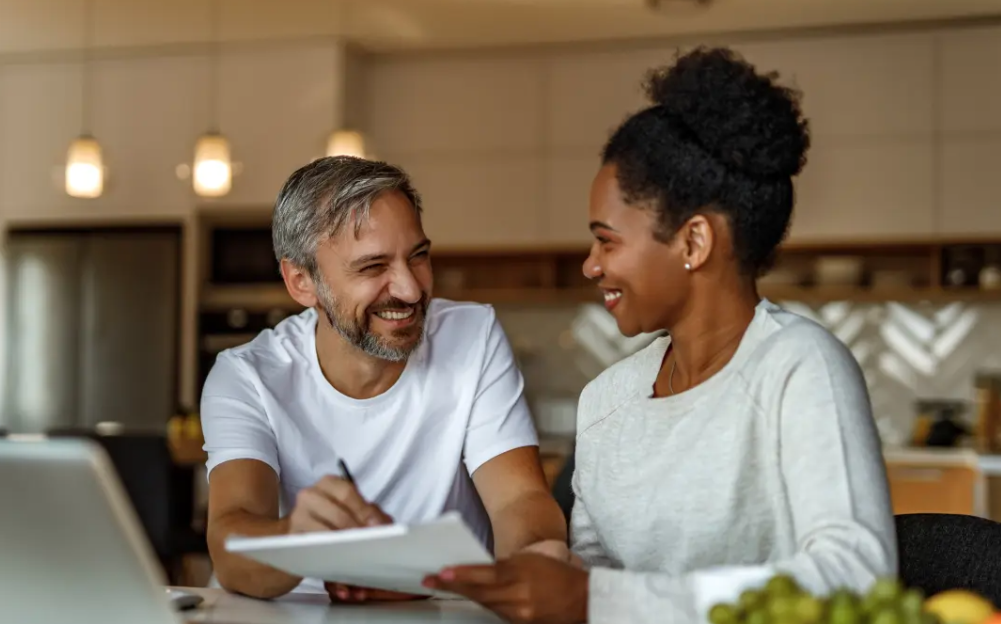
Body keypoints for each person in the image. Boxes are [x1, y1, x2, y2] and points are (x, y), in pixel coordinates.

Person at [423, 47, 896, 623]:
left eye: (608, 240)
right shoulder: (606, 400)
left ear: (693, 242)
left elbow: (857, 571)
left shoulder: (800, 367)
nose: (590, 266)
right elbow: (593, 584)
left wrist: (595, 598)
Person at [202, 156, 569, 601]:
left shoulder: (472, 336)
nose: (411, 290)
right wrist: (299, 544)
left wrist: (522, 569)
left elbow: (519, 502)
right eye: (373, 267)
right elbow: (231, 538)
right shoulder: (247, 375)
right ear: (302, 282)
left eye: (418, 257)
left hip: (443, 605)